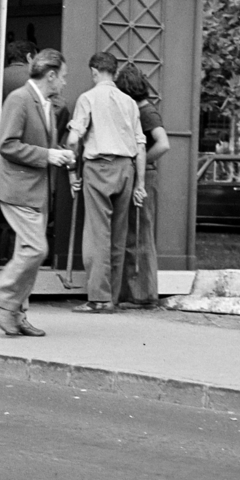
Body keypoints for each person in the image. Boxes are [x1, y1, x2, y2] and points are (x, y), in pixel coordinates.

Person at [0, 49, 76, 337]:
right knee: (36, 249)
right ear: (50, 76)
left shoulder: (45, 103)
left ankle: (17, 315)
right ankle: (1, 299)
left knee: (29, 253)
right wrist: (48, 155)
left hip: (35, 191)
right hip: (18, 190)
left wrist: (61, 154)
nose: (64, 83)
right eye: (62, 77)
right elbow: (7, 144)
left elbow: (42, 146)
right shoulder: (20, 99)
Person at [65, 51, 147, 313]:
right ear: (115, 71)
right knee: (118, 234)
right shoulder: (130, 103)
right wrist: (140, 184)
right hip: (126, 169)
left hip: (98, 168)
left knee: (97, 234)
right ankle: (111, 297)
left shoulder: (87, 98)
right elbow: (140, 146)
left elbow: (73, 140)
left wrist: (71, 173)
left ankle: (98, 298)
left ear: (94, 72)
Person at [114, 62, 169, 308]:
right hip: (142, 173)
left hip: (144, 175)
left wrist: (142, 161)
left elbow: (163, 143)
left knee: (140, 233)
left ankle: (144, 293)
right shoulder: (144, 109)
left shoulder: (146, 112)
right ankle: (134, 291)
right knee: (135, 232)